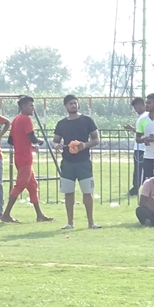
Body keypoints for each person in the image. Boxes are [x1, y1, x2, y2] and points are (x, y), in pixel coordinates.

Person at [0, 95, 53, 223]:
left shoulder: (16, 119)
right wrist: (39, 141)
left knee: (33, 185)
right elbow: (32, 138)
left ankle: (39, 215)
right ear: (23, 107)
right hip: (25, 158)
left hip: (20, 156)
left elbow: (11, 140)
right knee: (20, 185)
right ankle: (6, 214)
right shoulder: (26, 119)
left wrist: (25, 145)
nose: (33, 108)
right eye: (31, 105)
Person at [53, 95, 101, 230]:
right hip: (67, 162)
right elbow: (55, 141)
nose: (73, 105)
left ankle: (91, 222)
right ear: (65, 106)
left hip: (83, 162)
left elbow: (96, 139)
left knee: (87, 192)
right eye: (70, 103)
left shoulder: (87, 120)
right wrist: (56, 145)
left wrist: (84, 145)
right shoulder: (61, 123)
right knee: (68, 193)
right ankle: (70, 223)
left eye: (75, 103)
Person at [126, 96, 147, 195]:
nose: (136, 110)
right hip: (142, 147)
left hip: (141, 148)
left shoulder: (144, 117)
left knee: (138, 169)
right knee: (140, 169)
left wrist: (132, 129)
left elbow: (144, 131)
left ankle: (136, 188)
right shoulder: (145, 116)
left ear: (141, 105)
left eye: (136, 108)